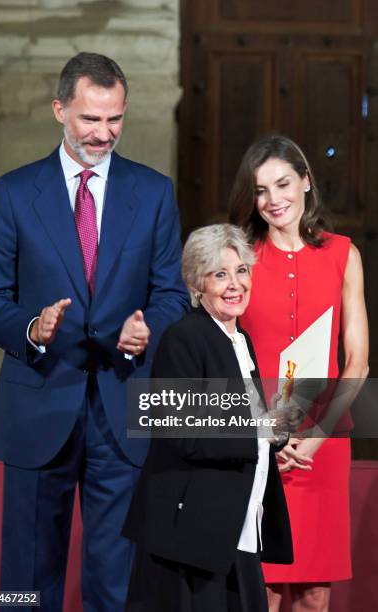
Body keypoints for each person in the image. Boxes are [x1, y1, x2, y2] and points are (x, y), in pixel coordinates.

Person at [0, 52, 189, 612]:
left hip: (123, 414)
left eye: (114, 118)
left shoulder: (154, 192)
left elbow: (171, 295)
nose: (104, 132)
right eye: (91, 119)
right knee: (22, 584)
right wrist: (33, 328)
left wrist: (150, 330)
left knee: (119, 583)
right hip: (37, 410)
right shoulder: (14, 193)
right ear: (59, 109)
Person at [229, 134, 369, 611]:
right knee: (261, 589)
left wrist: (315, 439)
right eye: (261, 190)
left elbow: (357, 362)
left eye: (283, 184)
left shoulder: (343, 254)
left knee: (314, 594)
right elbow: (224, 357)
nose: (273, 200)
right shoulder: (239, 259)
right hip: (256, 442)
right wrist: (263, 434)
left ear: (306, 181)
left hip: (323, 446)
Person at [122, 224, 293, 612]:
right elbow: (183, 432)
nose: (235, 284)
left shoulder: (240, 338)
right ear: (197, 285)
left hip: (234, 522)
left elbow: (246, 420)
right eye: (220, 274)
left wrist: (276, 430)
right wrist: (259, 431)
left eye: (241, 271)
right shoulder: (183, 337)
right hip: (190, 536)